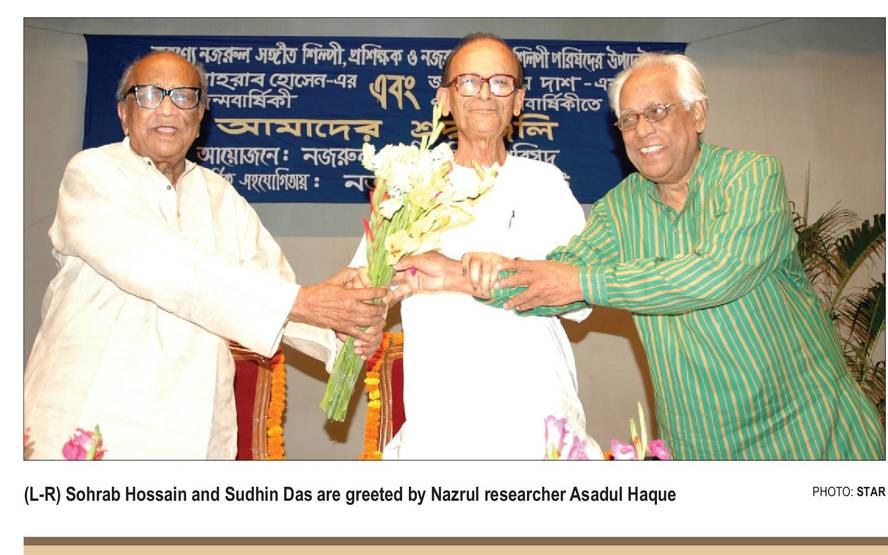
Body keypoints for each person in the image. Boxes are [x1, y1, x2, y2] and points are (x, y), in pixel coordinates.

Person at [460, 53, 885, 459]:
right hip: (703, 447)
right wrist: (454, 272)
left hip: (812, 433)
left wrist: (582, 283)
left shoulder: (751, 176)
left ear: (698, 114)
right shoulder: (620, 209)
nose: (641, 130)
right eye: (628, 120)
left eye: (657, 112)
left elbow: (717, 274)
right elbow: (553, 283)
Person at [24, 51, 389, 459]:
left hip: (191, 427)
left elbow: (273, 286)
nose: (167, 108)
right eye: (149, 94)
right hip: (95, 415)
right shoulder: (93, 172)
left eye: (184, 96)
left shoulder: (221, 197)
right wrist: (307, 303)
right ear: (124, 114)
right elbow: (164, 266)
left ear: (199, 118)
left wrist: (342, 327)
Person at [354, 33, 602, 459]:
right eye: (468, 82)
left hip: (537, 414)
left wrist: (477, 271)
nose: (485, 94)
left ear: (518, 101)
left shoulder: (544, 183)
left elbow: (580, 299)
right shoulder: (409, 183)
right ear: (445, 99)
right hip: (441, 422)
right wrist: (366, 313)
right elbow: (364, 288)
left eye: (500, 82)